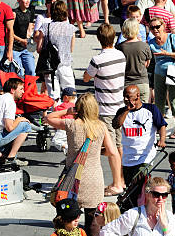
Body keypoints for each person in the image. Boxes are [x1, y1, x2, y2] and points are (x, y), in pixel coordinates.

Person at [45, 92, 124, 233]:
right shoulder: (101, 126)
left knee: (68, 219)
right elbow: (112, 151)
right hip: (94, 179)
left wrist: (67, 111)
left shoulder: (71, 124)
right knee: (92, 222)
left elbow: (49, 118)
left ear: (78, 108)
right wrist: (97, 151)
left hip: (72, 180)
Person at [112, 85, 167, 208]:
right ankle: (131, 212)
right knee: (131, 189)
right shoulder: (122, 111)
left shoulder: (151, 109)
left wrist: (162, 140)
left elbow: (162, 125)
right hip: (127, 158)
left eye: (129, 97)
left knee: (138, 187)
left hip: (145, 157)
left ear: (137, 96)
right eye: (124, 97)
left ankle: (140, 211)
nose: (126, 99)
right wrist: (127, 110)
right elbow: (116, 124)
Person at [84, 24, 125, 157]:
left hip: (106, 108)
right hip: (120, 105)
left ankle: (117, 175)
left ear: (99, 39)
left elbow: (86, 78)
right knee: (119, 144)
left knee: (110, 146)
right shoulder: (121, 56)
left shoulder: (97, 60)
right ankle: (122, 172)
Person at [148, 16, 175, 137]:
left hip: (174, 71)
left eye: (157, 26)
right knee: (159, 101)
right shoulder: (151, 42)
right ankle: (160, 128)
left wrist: (166, 53)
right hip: (159, 73)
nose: (155, 29)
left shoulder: (171, 37)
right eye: (152, 28)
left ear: (163, 26)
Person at [35, 0, 76, 100]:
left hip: (50, 67)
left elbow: (39, 49)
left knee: (53, 96)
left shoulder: (45, 27)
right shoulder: (71, 28)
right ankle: (70, 114)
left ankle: (55, 113)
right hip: (65, 64)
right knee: (70, 93)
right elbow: (71, 48)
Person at [117, 18, 152, 102]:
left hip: (126, 82)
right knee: (143, 110)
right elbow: (147, 64)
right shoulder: (144, 46)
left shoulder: (120, 47)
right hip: (142, 82)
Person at [11, 0, 36, 77]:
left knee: (32, 71)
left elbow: (29, 31)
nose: (28, 1)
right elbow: (9, 32)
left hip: (26, 47)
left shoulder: (30, 13)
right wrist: (21, 40)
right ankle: (20, 90)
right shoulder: (14, 13)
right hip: (15, 47)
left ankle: (28, 90)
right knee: (19, 72)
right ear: (18, 0)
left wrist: (32, 45)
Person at [50, 87, 77, 154]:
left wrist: (54, 105)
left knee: (56, 141)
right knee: (68, 142)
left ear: (66, 97)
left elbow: (56, 112)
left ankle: (69, 150)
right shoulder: (75, 106)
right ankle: (69, 157)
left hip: (63, 127)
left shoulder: (63, 106)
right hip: (74, 128)